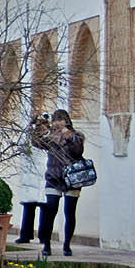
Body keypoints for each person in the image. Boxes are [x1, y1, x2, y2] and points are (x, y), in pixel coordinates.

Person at [33, 109, 85, 257]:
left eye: (61, 119)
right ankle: (47, 244)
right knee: (50, 211)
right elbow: (36, 143)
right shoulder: (51, 137)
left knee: (70, 212)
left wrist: (68, 136)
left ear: (67, 121)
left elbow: (78, 152)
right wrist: (37, 127)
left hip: (72, 179)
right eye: (56, 119)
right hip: (53, 178)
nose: (58, 122)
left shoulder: (76, 136)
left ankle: (67, 245)